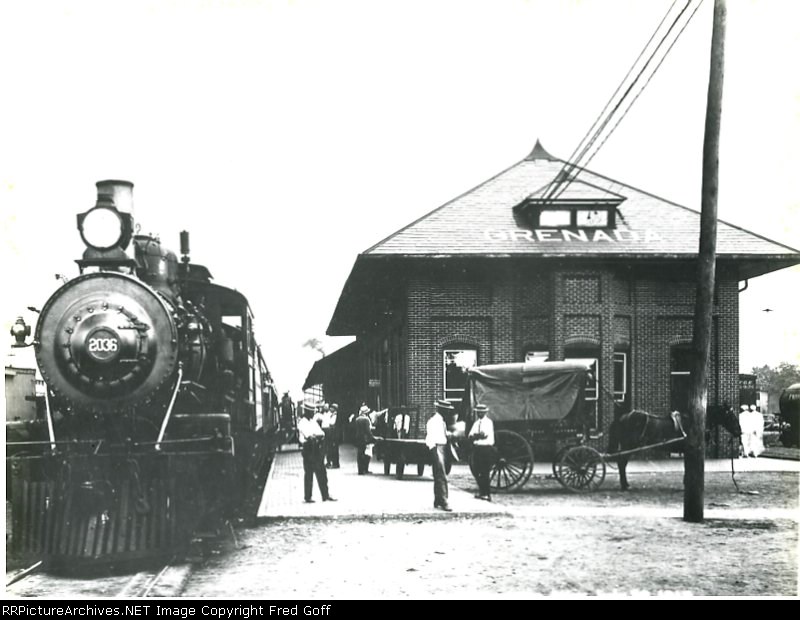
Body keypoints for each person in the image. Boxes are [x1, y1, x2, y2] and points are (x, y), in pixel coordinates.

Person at [297, 402, 336, 503]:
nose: (313, 413)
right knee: (309, 474)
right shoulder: (302, 422)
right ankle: (308, 496)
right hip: (308, 449)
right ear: (306, 412)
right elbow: (309, 436)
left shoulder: (312, 421)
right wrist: (315, 436)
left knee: (322, 473)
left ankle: (325, 495)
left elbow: (321, 433)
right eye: (311, 412)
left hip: (316, 449)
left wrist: (316, 436)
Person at [426, 399, 455, 511]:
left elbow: (442, 435)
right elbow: (430, 438)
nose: (447, 412)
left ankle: (438, 499)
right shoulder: (433, 421)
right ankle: (444, 500)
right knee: (441, 475)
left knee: (439, 474)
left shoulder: (441, 421)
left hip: (443, 447)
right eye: (445, 410)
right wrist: (434, 451)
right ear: (440, 409)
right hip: (437, 448)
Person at [468, 404, 496, 501]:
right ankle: (482, 492)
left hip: (486, 449)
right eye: (478, 412)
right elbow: (470, 435)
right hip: (477, 448)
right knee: (477, 471)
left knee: (485, 472)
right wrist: (476, 436)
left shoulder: (488, 422)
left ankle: (487, 494)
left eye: (481, 412)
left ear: (485, 412)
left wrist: (476, 436)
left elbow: (484, 435)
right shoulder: (476, 423)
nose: (480, 413)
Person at [354, 404, 376, 474]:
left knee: (360, 454)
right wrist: (372, 437)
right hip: (365, 438)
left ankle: (360, 470)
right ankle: (365, 469)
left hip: (358, 438)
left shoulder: (357, 419)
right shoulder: (366, 419)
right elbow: (367, 430)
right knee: (366, 454)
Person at [322, 403, 340, 468]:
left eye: (331, 408)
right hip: (332, 434)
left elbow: (332, 423)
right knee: (331, 449)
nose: (330, 409)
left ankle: (335, 464)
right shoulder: (331, 414)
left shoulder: (335, 415)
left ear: (334, 409)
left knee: (334, 449)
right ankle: (331, 462)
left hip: (334, 435)